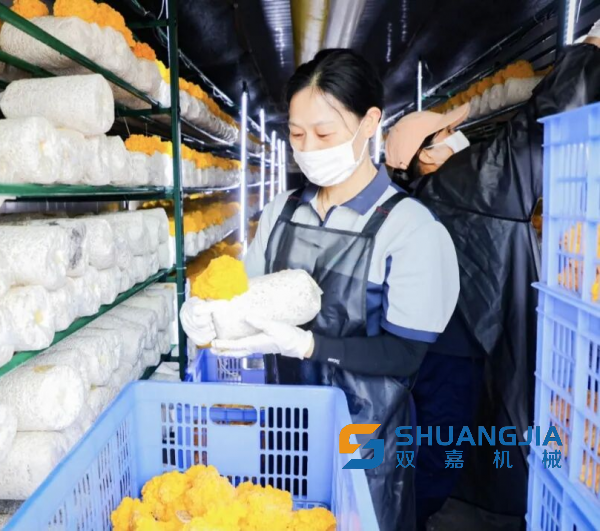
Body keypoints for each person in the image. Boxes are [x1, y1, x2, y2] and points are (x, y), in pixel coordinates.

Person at [181, 49, 460, 531]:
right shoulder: (282, 212)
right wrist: (206, 312)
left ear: (369, 122)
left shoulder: (410, 229)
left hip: (366, 440)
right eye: (296, 134)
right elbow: (242, 298)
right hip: (286, 428)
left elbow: (405, 355)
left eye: (324, 134)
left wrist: (310, 345)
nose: (308, 147)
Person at [384, 32, 600, 529]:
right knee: (446, 450)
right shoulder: (464, 182)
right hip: (460, 353)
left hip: (439, 349)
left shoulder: (423, 194)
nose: (459, 136)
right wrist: (588, 51)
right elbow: (534, 131)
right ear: (425, 156)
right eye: (447, 133)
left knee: (439, 445)